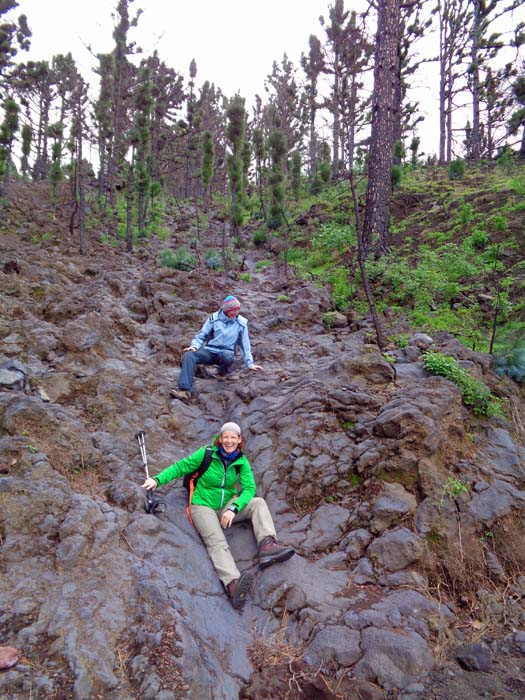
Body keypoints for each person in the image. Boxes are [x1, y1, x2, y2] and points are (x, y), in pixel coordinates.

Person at [141, 421, 294, 609]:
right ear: (220, 438)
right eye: (226, 437)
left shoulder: (241, 461)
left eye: (233, 437)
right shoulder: (206, 453)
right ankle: (233, 584)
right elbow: (181, 467)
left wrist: (234, 508)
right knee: (217, 541)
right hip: (202, 505)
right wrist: (157, 480)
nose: (229, 441)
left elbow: (249, 489)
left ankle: (268, 545)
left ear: (239, 440)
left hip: (227, 504)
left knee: (258, 503)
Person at [169, 295, 262, 404]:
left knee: (228, 356)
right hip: (209, 351)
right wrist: (194, 346)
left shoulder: (241, 323)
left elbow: (245, 345)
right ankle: (185, 391)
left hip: (226, 353)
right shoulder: (213, 319)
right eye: (233, 310)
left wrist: (250, 364)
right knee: (189, 355)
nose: (236, 313)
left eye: (238, 310)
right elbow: (202, 335)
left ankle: (221, 372)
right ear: (227, 310)